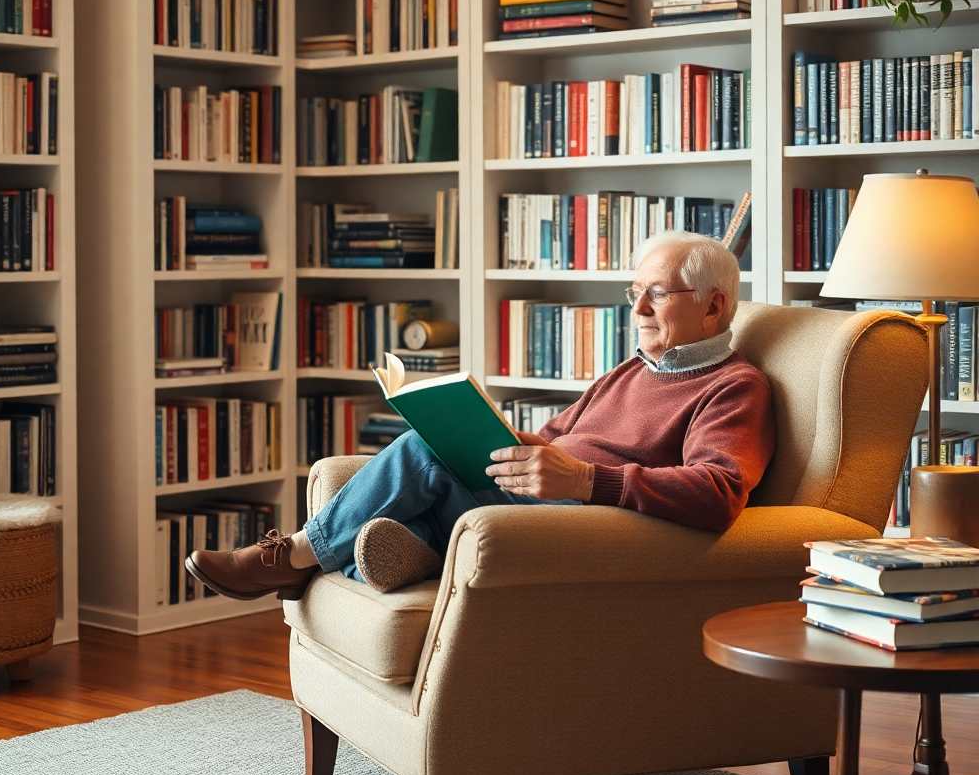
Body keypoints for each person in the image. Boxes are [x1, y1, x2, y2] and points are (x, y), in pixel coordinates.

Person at [186, 230, 776, 601]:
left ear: (714, 305)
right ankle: (410, 551)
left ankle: (289, 558)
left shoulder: (734, 388)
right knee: (434, 448)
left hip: (595, 522)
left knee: (419, 458)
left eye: (658, 294)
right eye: (634, 294)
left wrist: (588, 480)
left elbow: (719, 490)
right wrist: (482, 429)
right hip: (546, 500)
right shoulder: (634, 368)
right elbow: (554, 438)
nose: (640, 308)